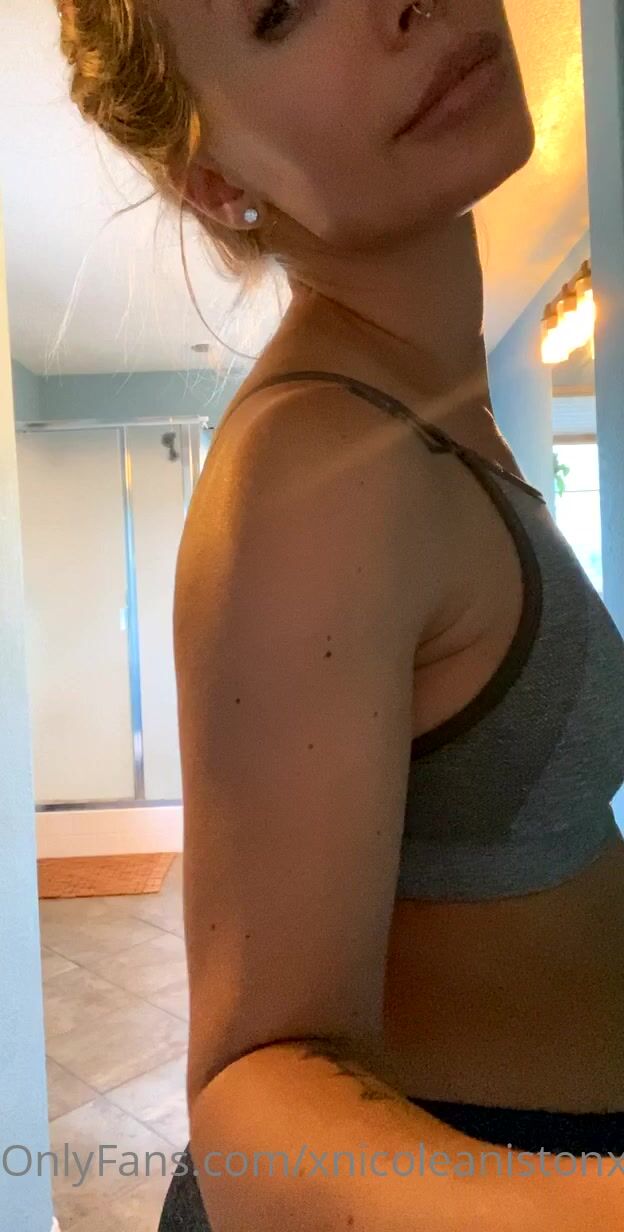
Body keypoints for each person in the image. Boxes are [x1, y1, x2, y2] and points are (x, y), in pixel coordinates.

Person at [57, 0, 624, 1228]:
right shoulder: (317, 463)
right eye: (281, 9)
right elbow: (248, 1093)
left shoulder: (434, 410)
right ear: (219, 183)